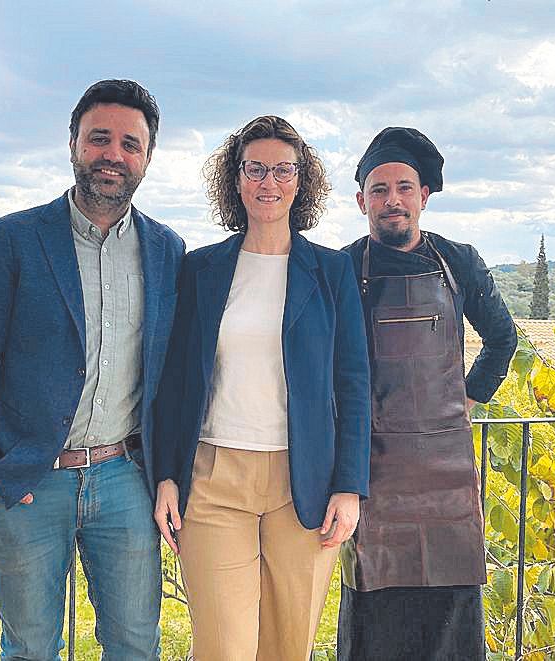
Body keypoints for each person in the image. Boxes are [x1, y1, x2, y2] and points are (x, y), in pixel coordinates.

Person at [0, 79, 184, 660]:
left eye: (130, 144)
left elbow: (174, 373)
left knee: (134, 644)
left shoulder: (167, 249)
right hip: (28, 480)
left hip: (127, 479)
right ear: (73, 142)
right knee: (29, 648)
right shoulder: (14, 238)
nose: (113, 155)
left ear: (147, 158)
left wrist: (170, 471)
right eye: (100, 138)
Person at [152, 115, 370, 661]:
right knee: (223, 648)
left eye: (282, 170)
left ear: (301, 181)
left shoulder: (331, 271)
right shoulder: (200, 269)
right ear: (237, 178)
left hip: (306, 482)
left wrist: (349, 485)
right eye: (255, 169)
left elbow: (353, 381)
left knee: (286, 647)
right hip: (214, 477)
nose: (268, 182)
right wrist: (166, 477)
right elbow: (175, 382)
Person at [337, 127, 518, 660]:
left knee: (451, 612)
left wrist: (469, 397)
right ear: (361, 200)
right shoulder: (344, 267)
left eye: (403, 187)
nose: (392, 200)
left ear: (423, 196)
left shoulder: (459, 261)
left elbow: (503, 338)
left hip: (446, 471)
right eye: (379, 189)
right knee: (376, 609)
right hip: (373, 469)